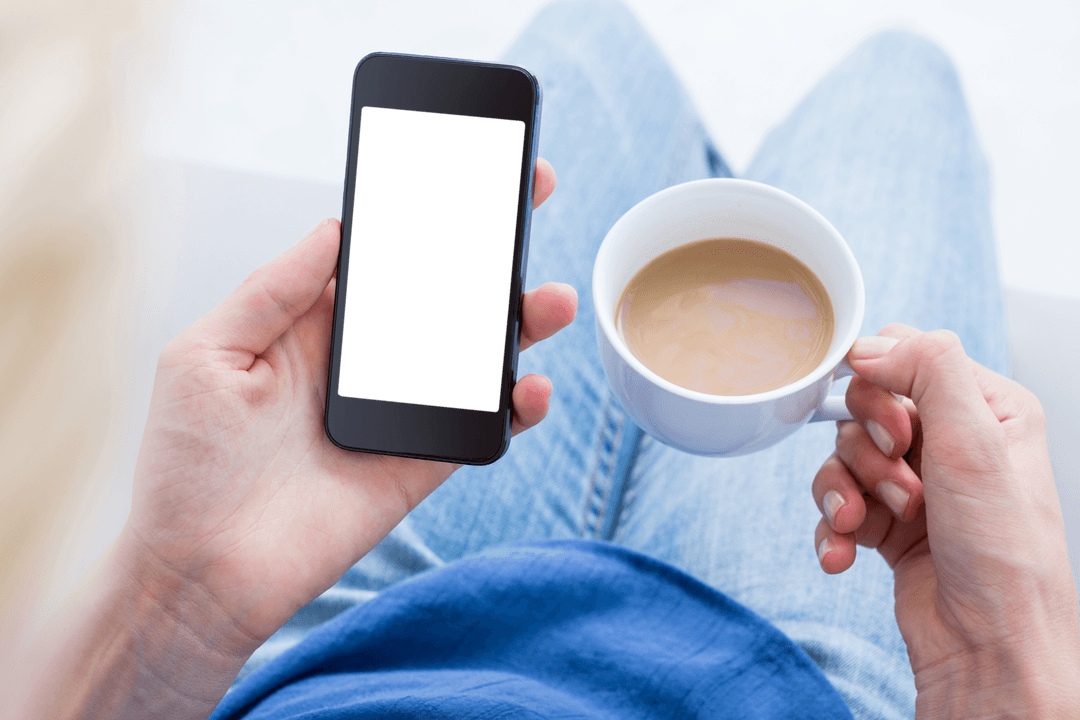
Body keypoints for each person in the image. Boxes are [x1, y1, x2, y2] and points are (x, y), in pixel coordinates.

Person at [8, 1, 1080, 718]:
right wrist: (1002, 664)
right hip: (778, 680)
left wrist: (175, 603)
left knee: (589, 32)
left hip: (352, 646)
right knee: (900, 80)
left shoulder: (201, 585)